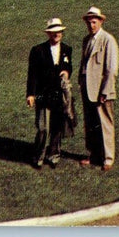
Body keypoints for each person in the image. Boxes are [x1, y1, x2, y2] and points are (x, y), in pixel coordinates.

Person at [25, 18, 74, 170]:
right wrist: (31, 94)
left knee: (57, 128)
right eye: (53, 32)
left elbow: (68, 66)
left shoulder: (67, 49)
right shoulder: (38, 50)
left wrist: (66, 71)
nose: (56, 34)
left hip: (59, 96)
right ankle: (38, 156)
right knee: (42, 128)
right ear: (48, 33)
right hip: (43, 95)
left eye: (59, 31)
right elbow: (32, 74)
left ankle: (53, 155)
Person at [78, 6, 119, 171]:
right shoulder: (86, 40)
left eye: (94, 22)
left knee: (105, 123)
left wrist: (105, 90)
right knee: (91, 124)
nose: (91, 26)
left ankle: (108, 158)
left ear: (100, 22)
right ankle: (94, 154)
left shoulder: (108, 40)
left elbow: (112, 68)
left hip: (101, 90)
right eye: (89, 23)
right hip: (88, 89)